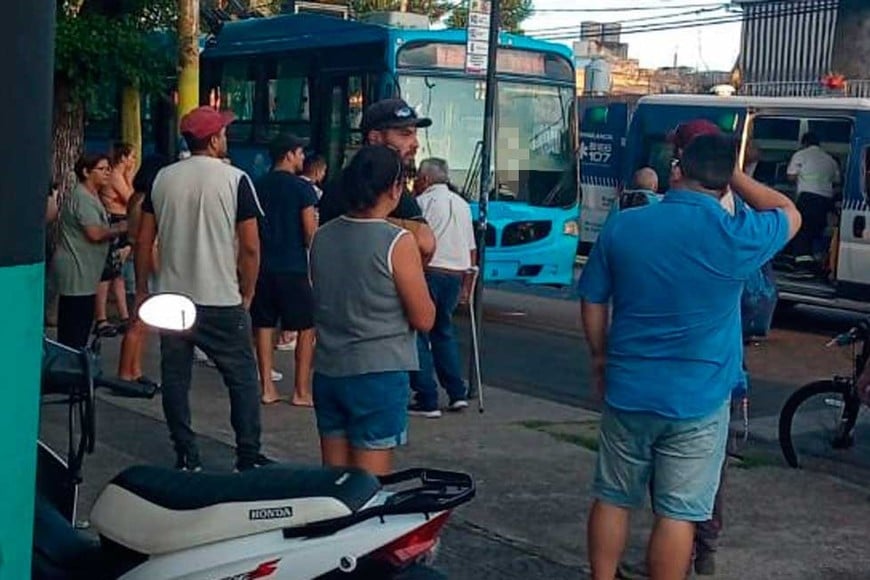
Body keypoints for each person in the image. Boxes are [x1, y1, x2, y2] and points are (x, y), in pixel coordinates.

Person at [578, 134, 801, 580]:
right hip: (700, 398)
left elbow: (593, 300)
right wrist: (732, 173)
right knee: (678, 513)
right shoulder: (737, 237)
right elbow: (789, 211)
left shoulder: (625, 225)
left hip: (629, 388)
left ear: (677, 169)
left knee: (613, 496)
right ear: (724, 186)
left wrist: (601, 358)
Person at [135, 106, 268, 472]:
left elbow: (144, 240)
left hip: (172, 297)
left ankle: (186, 453)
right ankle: (247, 455)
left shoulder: (162, 178)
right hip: (220, 297)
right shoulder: (235, 179)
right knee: (241, 378)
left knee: (175, 378)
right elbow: (251, 247)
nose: (226, 137)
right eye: (223, 132)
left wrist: (144, 290)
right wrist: (248, 292)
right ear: (213, 140)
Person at [309, 145, 435, 476]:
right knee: (367, 490)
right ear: (395, 188)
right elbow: (424, 318)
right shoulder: (397, 242)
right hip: (378, 373)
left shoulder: (322, 236)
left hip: (329, 369)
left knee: (333, 486)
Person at [318, 98, 436, 261]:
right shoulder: (349, 187)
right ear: (375, 138)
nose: (415, 144)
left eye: (415, 134)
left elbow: (425, 241)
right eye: (405, 134)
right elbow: (425, 243)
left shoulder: (339, 183)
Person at [251, 134, 318, 407]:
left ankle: (267, 387)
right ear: (289, 154)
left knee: (264, 324)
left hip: (263, 266)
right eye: (300, 153)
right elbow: (310, 231)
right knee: (306, 327)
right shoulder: (303, 189)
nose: (303, 158)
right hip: (293, 267)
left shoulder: (257, 185)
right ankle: (301, 391)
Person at [408, 158, 476, 418]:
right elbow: (472, 249)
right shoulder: (462, 205)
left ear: (425, 179)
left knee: (417, 333)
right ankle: (457, 392)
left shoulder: (423, 203)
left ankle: (427, 397)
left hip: (430, 272)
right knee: (443, 332)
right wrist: (467, 286)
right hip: (456, 274)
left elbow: (418, 242)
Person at [52, 154, 127, 348]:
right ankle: (69, 367)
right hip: (77, 271)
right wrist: (121, 228)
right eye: (101, 169)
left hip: (86, 272)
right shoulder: (82, 198)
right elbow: (94, 233)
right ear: (86, 172)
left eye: (108, 168)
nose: (107, 173)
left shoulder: (93, 197)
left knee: (82, 323)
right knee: (74, 327)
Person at [117, 154, 170, 388]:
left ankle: (134, 369)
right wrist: (158, 270)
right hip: (141, 264)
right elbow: (145, 242)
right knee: (138, 323)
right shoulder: (144, 202)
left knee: (140, 323)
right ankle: (126, 373)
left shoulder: (136, 198)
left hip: (136, 262)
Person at [786, 132, 841, 276]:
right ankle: (816, 262)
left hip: (808, 198)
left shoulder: (801, 155)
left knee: (802, 230)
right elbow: (836, 181)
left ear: (804, 143)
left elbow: (791, 176)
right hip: (825, 200)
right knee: (816, 230)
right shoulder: (830, 159)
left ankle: (802, 267)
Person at [95, 142, 136, 332]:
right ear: (123, 158)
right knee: (107, 272)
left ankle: (124, 315)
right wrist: (129, 175)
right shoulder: (115, 176)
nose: (134, 161)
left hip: (122, 220)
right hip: (114, 221)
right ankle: (101, 318)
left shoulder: (121, 175)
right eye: (131, 157)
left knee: (117, 273)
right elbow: (131, 198)